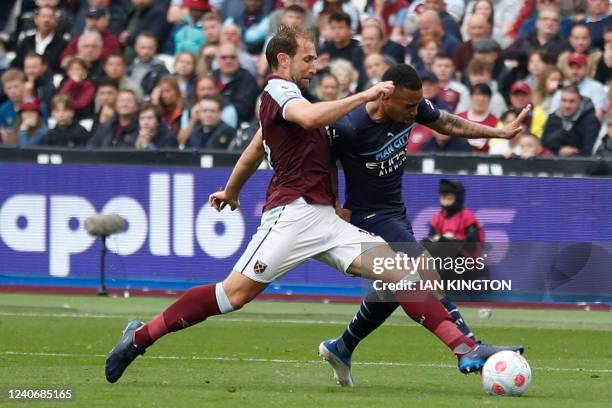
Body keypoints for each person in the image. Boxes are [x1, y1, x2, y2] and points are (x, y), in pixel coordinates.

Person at [105, 25, 522, 385]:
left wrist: (232, 190)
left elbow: (257, 147)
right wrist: (364, 95)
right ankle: (140, 337)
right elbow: (304, 120)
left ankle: (463, 348)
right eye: (309, 58)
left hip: (325, 218)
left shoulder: (298, 100)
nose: (315, 66)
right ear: (283, 60)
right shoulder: (278, 89)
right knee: (232, 295)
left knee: (401, 271)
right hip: (290, 214)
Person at [319, 63, 526, 387]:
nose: (415, 113)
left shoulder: (410, 108)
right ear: (385, 96)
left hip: (395, 212)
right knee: (424, 268)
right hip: (369, 216)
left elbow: (446, 122)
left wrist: (497, 132)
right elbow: (325, 159)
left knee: (394, 289)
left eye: (418, 105)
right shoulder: (351, 124)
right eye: (409, 106)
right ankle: (468, 346)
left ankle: (342, 347)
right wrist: (333, 202)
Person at [542, 84, 600, 156]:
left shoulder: (591, 121)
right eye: (564, 100)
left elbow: (588, 151)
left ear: (580, 102)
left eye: (572, 101)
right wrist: (559, 151)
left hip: (580, 163)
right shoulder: (553, 117)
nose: (567, 106)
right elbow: (544, 143)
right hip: (554, 161)